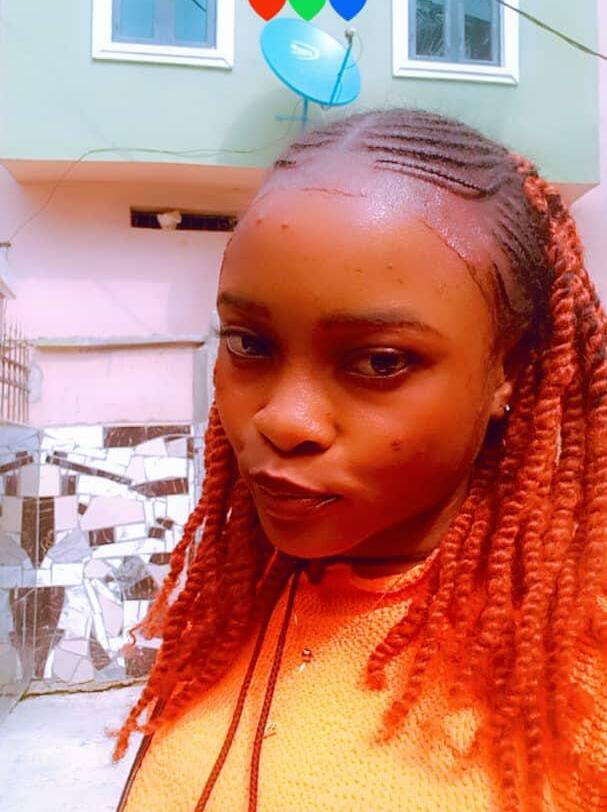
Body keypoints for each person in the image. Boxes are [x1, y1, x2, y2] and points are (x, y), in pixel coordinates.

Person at [113, 109, 607, 812]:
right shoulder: (222, 619)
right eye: (249, 344)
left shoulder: (580, 678)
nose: (284, 420)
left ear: (509, 369)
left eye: (379, 361)